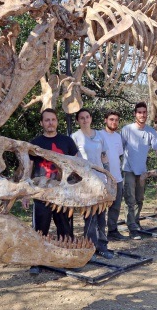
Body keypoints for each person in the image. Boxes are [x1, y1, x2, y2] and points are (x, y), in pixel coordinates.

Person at [24, 108, 79, 275]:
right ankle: (36, 261)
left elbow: (76, 165)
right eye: (47, 120)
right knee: (40, 228)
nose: (50, 123)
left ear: (57, 122)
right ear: (42, 123)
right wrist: (26, 192)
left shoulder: (67, 141)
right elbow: (28, 168)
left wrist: (77, 188)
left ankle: (69, 258)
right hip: (42, 193)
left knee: (65, 228)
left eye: (53, 119)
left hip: (63, 193)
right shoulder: (35, 143)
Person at [121, 102, 157, 240]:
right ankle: (132, 228)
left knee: (140, 199)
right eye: (139, 112)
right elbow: (119, 149)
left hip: (142, 171)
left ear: (146, 114)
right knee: (130, 199)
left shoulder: (150, 131)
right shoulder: (127, 130)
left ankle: (136, 222)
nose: (142, 115)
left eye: (144, 112)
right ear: (135, 114)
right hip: (128, 169)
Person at [71, 108, 114, 259]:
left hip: (101, 181)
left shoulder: (100, 136)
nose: (85, 120)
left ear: (91, 119)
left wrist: (108, 176)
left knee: (102, 216)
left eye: (87, 117)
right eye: (81, 118)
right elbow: (74, 161)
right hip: (86, 183)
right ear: (78, 120)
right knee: (90, 217)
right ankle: (90, 248)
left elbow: (104, 157)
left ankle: (102, 246)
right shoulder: (75, 137)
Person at [97, 110, 129, 241]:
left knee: (115, 207)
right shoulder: (98, 135)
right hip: (103, 178)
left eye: (116, 120)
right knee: (102, 207)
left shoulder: (118, 137)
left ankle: (113, 230)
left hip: (117, 177)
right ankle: (100, 233)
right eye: (111, 119)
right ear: (105, 120)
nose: (114, 122)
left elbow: (118, 155)